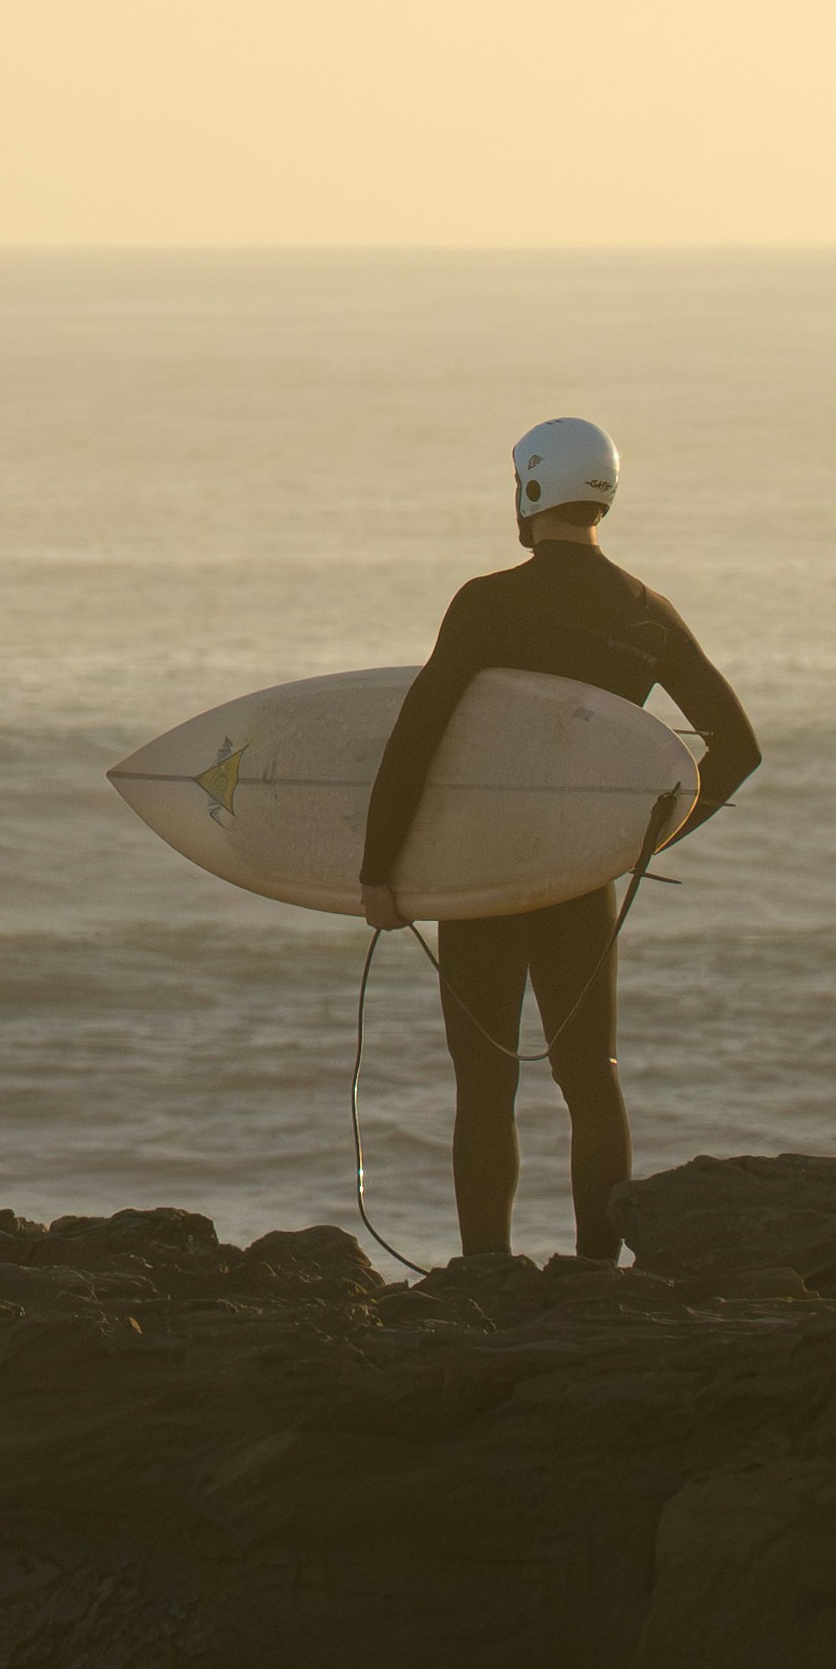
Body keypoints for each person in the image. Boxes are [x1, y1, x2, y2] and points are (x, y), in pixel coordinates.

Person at [351, 413, 763, 1276]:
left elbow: (416, 736)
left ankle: (485, 1271)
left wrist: (379, 870)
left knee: (484, 1078)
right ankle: (594, 1272)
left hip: (486, 875)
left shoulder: (487, 601)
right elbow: (737, 747)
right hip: (581, 878)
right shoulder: (646, 611)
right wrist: (641, 842)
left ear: (530, 488)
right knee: (590, 1075)